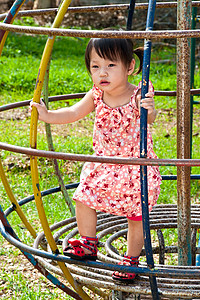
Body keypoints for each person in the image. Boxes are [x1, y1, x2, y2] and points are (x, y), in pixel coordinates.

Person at [30, 38, 161, 283]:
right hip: (103, 165)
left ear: (130, 67)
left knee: (136, 215)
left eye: (111, 65)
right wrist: (47, 115)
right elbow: (73, 113)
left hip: (135, 167)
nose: (102, 73)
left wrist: (150, 110)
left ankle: (132, 259)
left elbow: (149, 118)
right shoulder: (97, 95)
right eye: (95, 66)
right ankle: (88, 242)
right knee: (83, 198)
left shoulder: (138, 93)